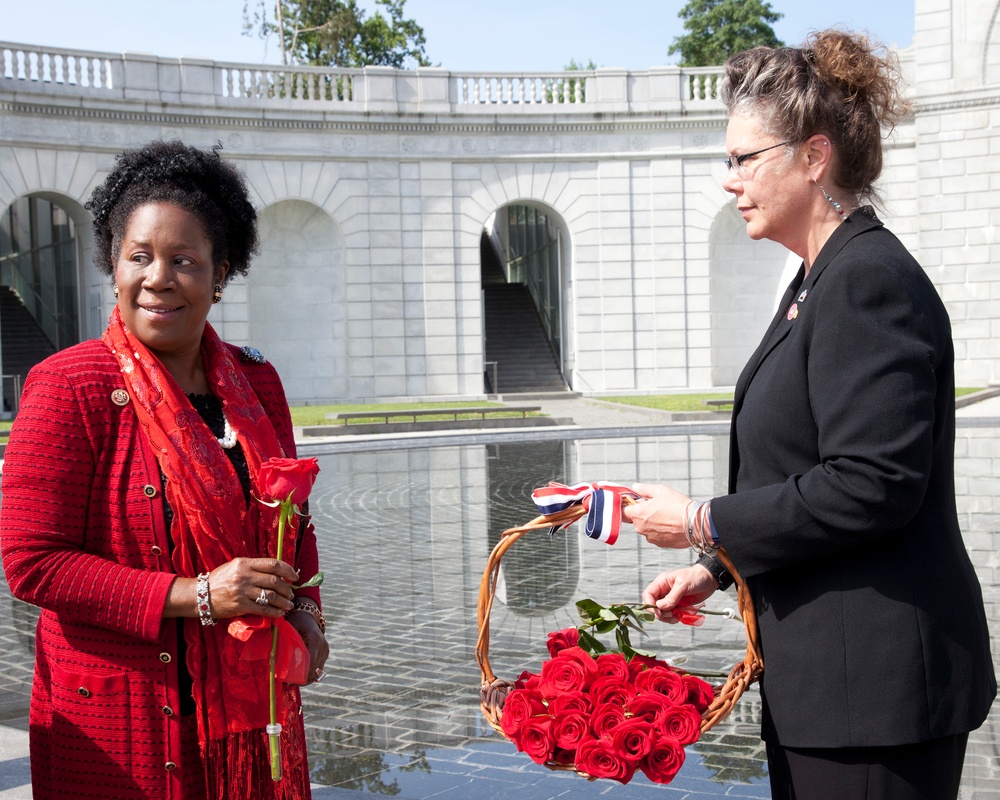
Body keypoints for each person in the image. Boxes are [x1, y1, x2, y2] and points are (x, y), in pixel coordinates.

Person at [622, 30, 996, 800]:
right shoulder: (815, 281)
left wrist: (701, 518)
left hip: (878, 694)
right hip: (833, 690)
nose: (731, 181)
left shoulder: (866, 281)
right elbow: (801, 472)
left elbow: (871, 483)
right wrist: (714, 567)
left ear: (814, 156)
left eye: (744, 158)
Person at [0, 140, 329, 799]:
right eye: (139, 256)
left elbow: (292, 526)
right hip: (122, 726)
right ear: (114, 265)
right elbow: (32, 563)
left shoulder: (257, 384)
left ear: (221, 272)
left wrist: (309, 618)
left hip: (251, 714)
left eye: (184, 260)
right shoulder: (70, 386)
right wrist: (200, 596)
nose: (158, 278)